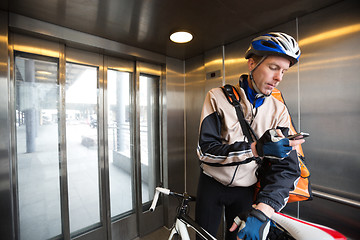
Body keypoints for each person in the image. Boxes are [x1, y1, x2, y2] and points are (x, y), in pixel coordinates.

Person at [195, 32, 304, 240]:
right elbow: (205, 152)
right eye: (273, 68)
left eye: (284, 71)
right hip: (211, 184)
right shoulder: (217, 97)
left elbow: (287, 168)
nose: (279, 78)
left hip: (245, 189)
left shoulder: (278, 110)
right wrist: (255, 149)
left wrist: (265, 210)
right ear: (252, 64)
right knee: (204, 237)